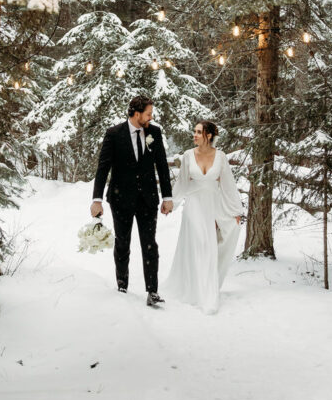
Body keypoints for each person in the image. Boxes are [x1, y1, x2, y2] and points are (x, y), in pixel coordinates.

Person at [91, 94, 173, 307]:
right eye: (148, 114)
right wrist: (97, 199)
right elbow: (103, 168)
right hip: (121, 198)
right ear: (137, 114)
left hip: (147, 199)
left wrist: (167, 197)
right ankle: (122, 285)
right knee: (122, 243)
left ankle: (152, 291)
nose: (151, 117)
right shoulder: (114, 134)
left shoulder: (154, 132)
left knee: (149, 244)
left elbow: (162, 165)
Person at [165, 120, 243, 314]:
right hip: (193, 205)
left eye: (199, 132)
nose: (195, 135)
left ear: (208, 135)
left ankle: (206, 288)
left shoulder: (221, 157)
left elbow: (228, 185)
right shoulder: (188, 156)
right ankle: (200, 293)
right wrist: (171, 203)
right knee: (200, 243)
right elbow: (182, 183)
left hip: (212, 206)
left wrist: (235, 211)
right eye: (195, 131)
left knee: (209, 246)